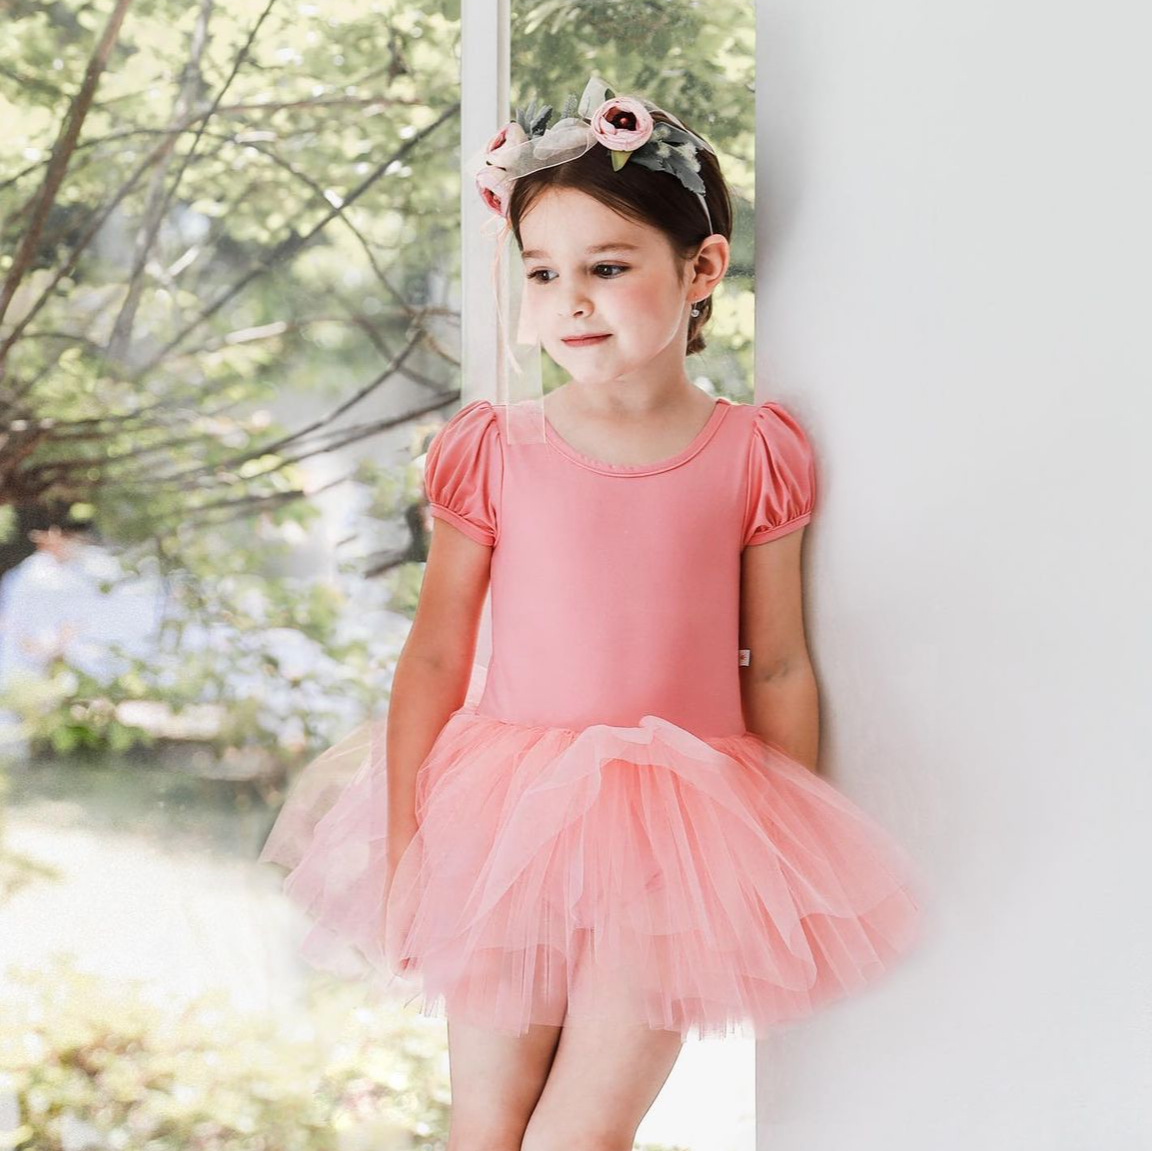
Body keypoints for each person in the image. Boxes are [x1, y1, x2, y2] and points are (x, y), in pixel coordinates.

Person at [259, 76, 924, 1149]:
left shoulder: (755, 453)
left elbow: (779, 664)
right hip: (503, 822)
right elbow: (435, 655)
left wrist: (776, 849)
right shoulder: (496, 449)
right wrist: (409, 848)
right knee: (486, 1124)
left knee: (583, 1133)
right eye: (543, 271)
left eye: (608, 268)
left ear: (701, 269)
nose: (571, 300)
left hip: (678, 839)